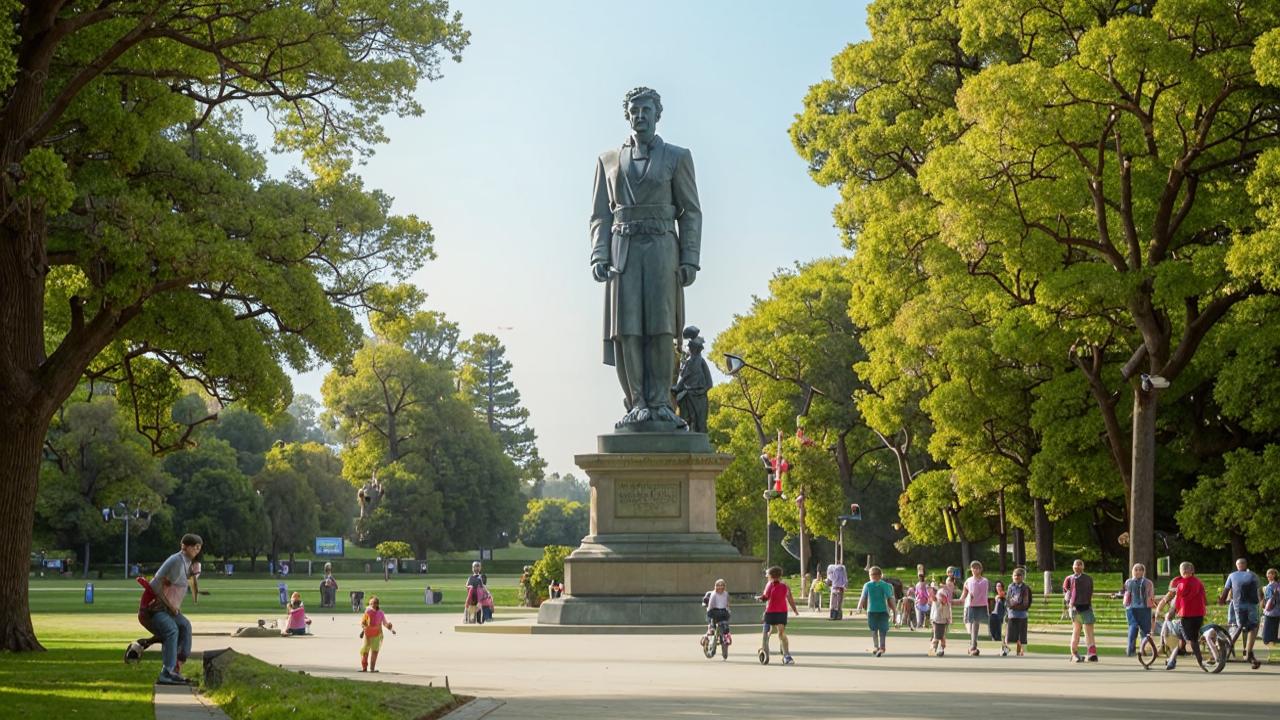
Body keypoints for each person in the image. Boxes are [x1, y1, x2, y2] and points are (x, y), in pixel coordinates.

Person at [590, 86, 703, 428]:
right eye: (634, 111)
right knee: (628, 331)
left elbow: (691, 212)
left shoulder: (677, 156)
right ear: (628, 115)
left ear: (658, 115)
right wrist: (598, 252)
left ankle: (660, 403)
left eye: (646, 110)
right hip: (622, 251)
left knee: (661, 328)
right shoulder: (609, 160)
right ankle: (636, 402)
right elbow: (600, 215)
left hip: (661, 249)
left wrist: (689, 257)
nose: (640, 116)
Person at [140, 533, 202, 685]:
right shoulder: (176, 561)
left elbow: (185, 585)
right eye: (195, 547)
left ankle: (175, 668)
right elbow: (155, 585)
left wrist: (195, 575)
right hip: (154, 609)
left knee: (185, 626)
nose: (197, 550)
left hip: (168, 610)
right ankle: (166, 673)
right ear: (184, 546)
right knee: (172, 630)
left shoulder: (188, 563)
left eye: (199, 548)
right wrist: (171, 606)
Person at [1161, 561, 1207, 671]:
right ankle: (1172, 660)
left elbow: (1179, 600)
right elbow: (1204, 598)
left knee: (1189, 640)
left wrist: (1173, 612)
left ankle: (1200, 661)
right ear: (1193, 571)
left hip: (1186, 614)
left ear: (1182, 571)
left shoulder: (1181, 583)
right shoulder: (1199, 582)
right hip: (1199, 614)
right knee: (1185, 637)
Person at [1219, 557, 1263, 669]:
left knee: (1239, 627)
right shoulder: (1253, 575)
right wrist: (1261, 601)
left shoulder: (1232, 575)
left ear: (1237, 565)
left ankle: (1229, 651)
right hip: (1252, 604)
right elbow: (1259, 590)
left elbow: (1226, 589)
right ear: (1245, 565)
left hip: (1239, 605)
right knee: (1252, 627)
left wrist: (1222, 600)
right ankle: (1248, 653)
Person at [759, 566, 799, 664]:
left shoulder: (781, 585)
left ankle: (786, 655)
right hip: (774, 612)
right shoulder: (772, 585)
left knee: (778, 632)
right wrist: (794, 610)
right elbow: (767, 596)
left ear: (771, 576)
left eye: (768, 575)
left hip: (778, 612)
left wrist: (795, 609)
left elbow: (789, 598)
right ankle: (765, 649)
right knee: (771, 632)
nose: (767, 576)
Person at [1062, 558, 1098, 662]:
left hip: (1086, 607)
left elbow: (1090, 592)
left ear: (1083, 567)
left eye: (1080, 565)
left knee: (1089, 630)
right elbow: (1066, 593)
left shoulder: (1088, 578)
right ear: (1072, 567)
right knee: (1076, 630)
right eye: (1075, 565)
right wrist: (1068, 605)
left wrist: (1089, 605)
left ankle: (1092, 653)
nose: (1077, 566)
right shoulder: (1069, 579)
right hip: (1075, 608)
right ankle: (1074, 653)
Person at [857, 566, 895, 656]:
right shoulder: (867, 585)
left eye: (873, 575)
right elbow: (863, 596)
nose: (871, 576)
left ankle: (882, 648)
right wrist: (859, 607)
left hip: (883, 611)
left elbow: (890, 598)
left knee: (882, 630)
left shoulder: (884, 585)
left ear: (879, 575)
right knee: (873, 629)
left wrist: (894, 610)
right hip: (871, 611)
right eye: (870, 575)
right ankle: (876, 646)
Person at [1123, 562, 1156, 657]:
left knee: (1137, 628)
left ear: (1143, 571)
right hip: (1140, 608)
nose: (1138, 572)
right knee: (1141, 629)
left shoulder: (1129, 582)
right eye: (1136, 570)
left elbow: (1126, 595)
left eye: (1140, 570)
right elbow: (1151, 596)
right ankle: (1139, 649)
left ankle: (1133, 649)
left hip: (1136, 608)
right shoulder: (1148, 582)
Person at [959, 560, 990, 656]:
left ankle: (973, 646)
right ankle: (972, 646)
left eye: (977, 568)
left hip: (981, 605)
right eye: (973, 568)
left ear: (981, 569)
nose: (975, 570)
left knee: (975, 625)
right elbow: (963, 596)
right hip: (971, 606)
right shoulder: (968, 581)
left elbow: (982, 592)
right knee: (972, 626)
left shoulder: (985, 581)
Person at [359, 595, 395, 672]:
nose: (372, 605)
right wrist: (362, 632)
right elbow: (363, 623)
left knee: (374, 652)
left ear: (377, 604)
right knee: (365, 651)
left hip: (377, 635)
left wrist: (390, 628)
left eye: (374, 603)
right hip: (368, 635)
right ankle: (364, 668)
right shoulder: (367, 612)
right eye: (371, 603)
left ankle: (372, 668)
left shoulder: (381, 613)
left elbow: (385, 623)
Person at [1005, 567, 1033, 656]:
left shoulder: (1026, 588)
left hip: (1022, 614)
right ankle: (1006, 650)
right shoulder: (1010, 587)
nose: (1016, 577)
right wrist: (1011, 606)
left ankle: (1021, 651)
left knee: (1022, 634)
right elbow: (1008, 599)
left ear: (1022, 577)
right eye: (1014, 575)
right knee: (1010, 634)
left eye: (1018, 575)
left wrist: (1021, 607)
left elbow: (1028, 601)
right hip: (1012, 614)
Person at [701, 578, 733, 648]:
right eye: (718, 586)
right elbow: (711, 605)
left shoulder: (725, 594)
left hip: (722, 612)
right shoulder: (713, 594)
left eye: (722, 586)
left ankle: (726, 635)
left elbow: (727, 604)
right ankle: (709, 633)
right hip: (715, 612)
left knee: (725, 625)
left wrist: (728, 610)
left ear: (724, 587)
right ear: (715, 587)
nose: (720, 587)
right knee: (712, 625)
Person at [930, 576, 955, 657]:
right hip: (936, 620)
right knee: (937, 635)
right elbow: (933, 597)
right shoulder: (937, 600)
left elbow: (948, 609)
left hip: (943, 620)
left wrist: (949, 619)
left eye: (944, 597)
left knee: (940, 636)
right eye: (941, 596)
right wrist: (932, 590)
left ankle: (938, 648)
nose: (942, 598)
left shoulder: (945, 602)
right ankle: (935, 648)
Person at [1262, 567, 1279, 659]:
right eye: (1268, 573)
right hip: (1276, 611)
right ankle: (1272, 652)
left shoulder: (1271, 586)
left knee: (1267, 634)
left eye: (1271, 573)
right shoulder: (1276, 585)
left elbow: (1269, 599)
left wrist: (1265, 609)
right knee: (1273, 632)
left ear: (1275, 575)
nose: (1269, 575)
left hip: (1270, 612)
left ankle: (1270, 653)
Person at [989, 580, 1007, 653]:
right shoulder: (996, 596)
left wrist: (999, 596)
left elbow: (1003, 597)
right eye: (997, 586)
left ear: (1002, 587)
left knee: (1001, 631)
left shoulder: (1004, 594)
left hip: (1001, 615)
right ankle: (995, 640)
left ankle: (1002, 647)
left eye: (999, 586)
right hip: (995, 614)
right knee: (993, 629)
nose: (998, 587)